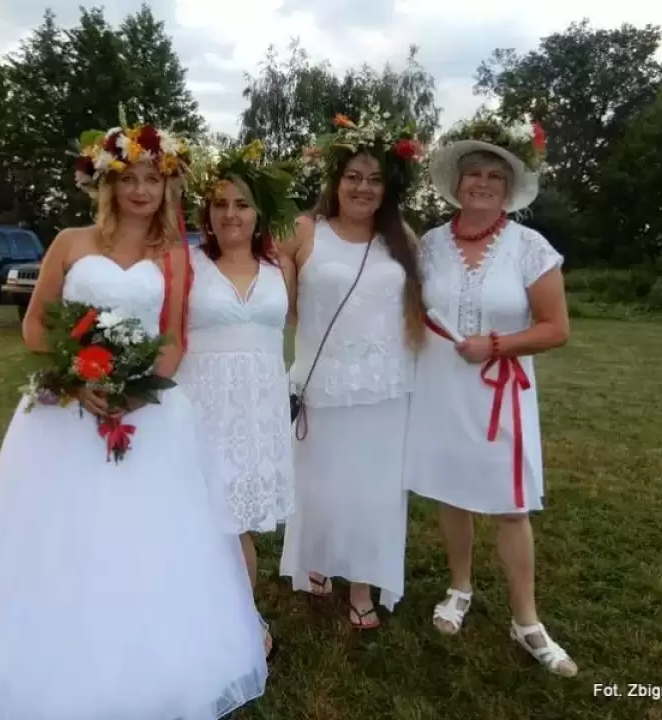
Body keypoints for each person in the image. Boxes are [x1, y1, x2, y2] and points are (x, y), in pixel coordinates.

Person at [0, 118, 268, 719]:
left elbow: (172, 338)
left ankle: (149, 661)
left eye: (152, 179)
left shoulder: (172, 254)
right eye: (129, 178)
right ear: (108, 183)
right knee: (55, 535)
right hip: (64, 411)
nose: (141, 190)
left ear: (167, 185)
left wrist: (136, 391)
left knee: (147, 539)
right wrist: (77, 378)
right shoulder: (70, 242)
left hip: (146, 415)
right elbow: (35, 325)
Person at [404, 122, 578, 676]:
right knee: (451, 492)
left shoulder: (530, 248)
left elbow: (556, 328)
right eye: (473, 174)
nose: (481, 183)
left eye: (493, 177)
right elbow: (411, 308)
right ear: (457, 184)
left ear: (509, 188)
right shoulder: (430, 245)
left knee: (510, 506)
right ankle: (459, 587)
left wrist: (497, 345)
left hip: (501, 390)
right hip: (442, 387)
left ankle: (526, 620)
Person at [279, 110, 426, 629]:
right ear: (335, 180)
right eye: (353, 176)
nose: (363, 188)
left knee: (373, 489)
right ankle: (317, 559)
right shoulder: (303, 230)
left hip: (385, 387)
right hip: (320, 381)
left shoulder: (401, 238)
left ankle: (362, 581)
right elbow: (275, 299)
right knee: (319, 484)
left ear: (388, 188)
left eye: (375, 179)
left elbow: (423, 308)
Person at [176, 140, 300, 658]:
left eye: (242, 204)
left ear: (259, 213)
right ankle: (191, 618)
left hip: (257, 412)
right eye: (220, 203)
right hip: (198, 407)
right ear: (206, 212)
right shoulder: (185, 264)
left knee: (238, 523)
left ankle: (242, 617)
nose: (231, 214)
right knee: (199, 521)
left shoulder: (280, 268)